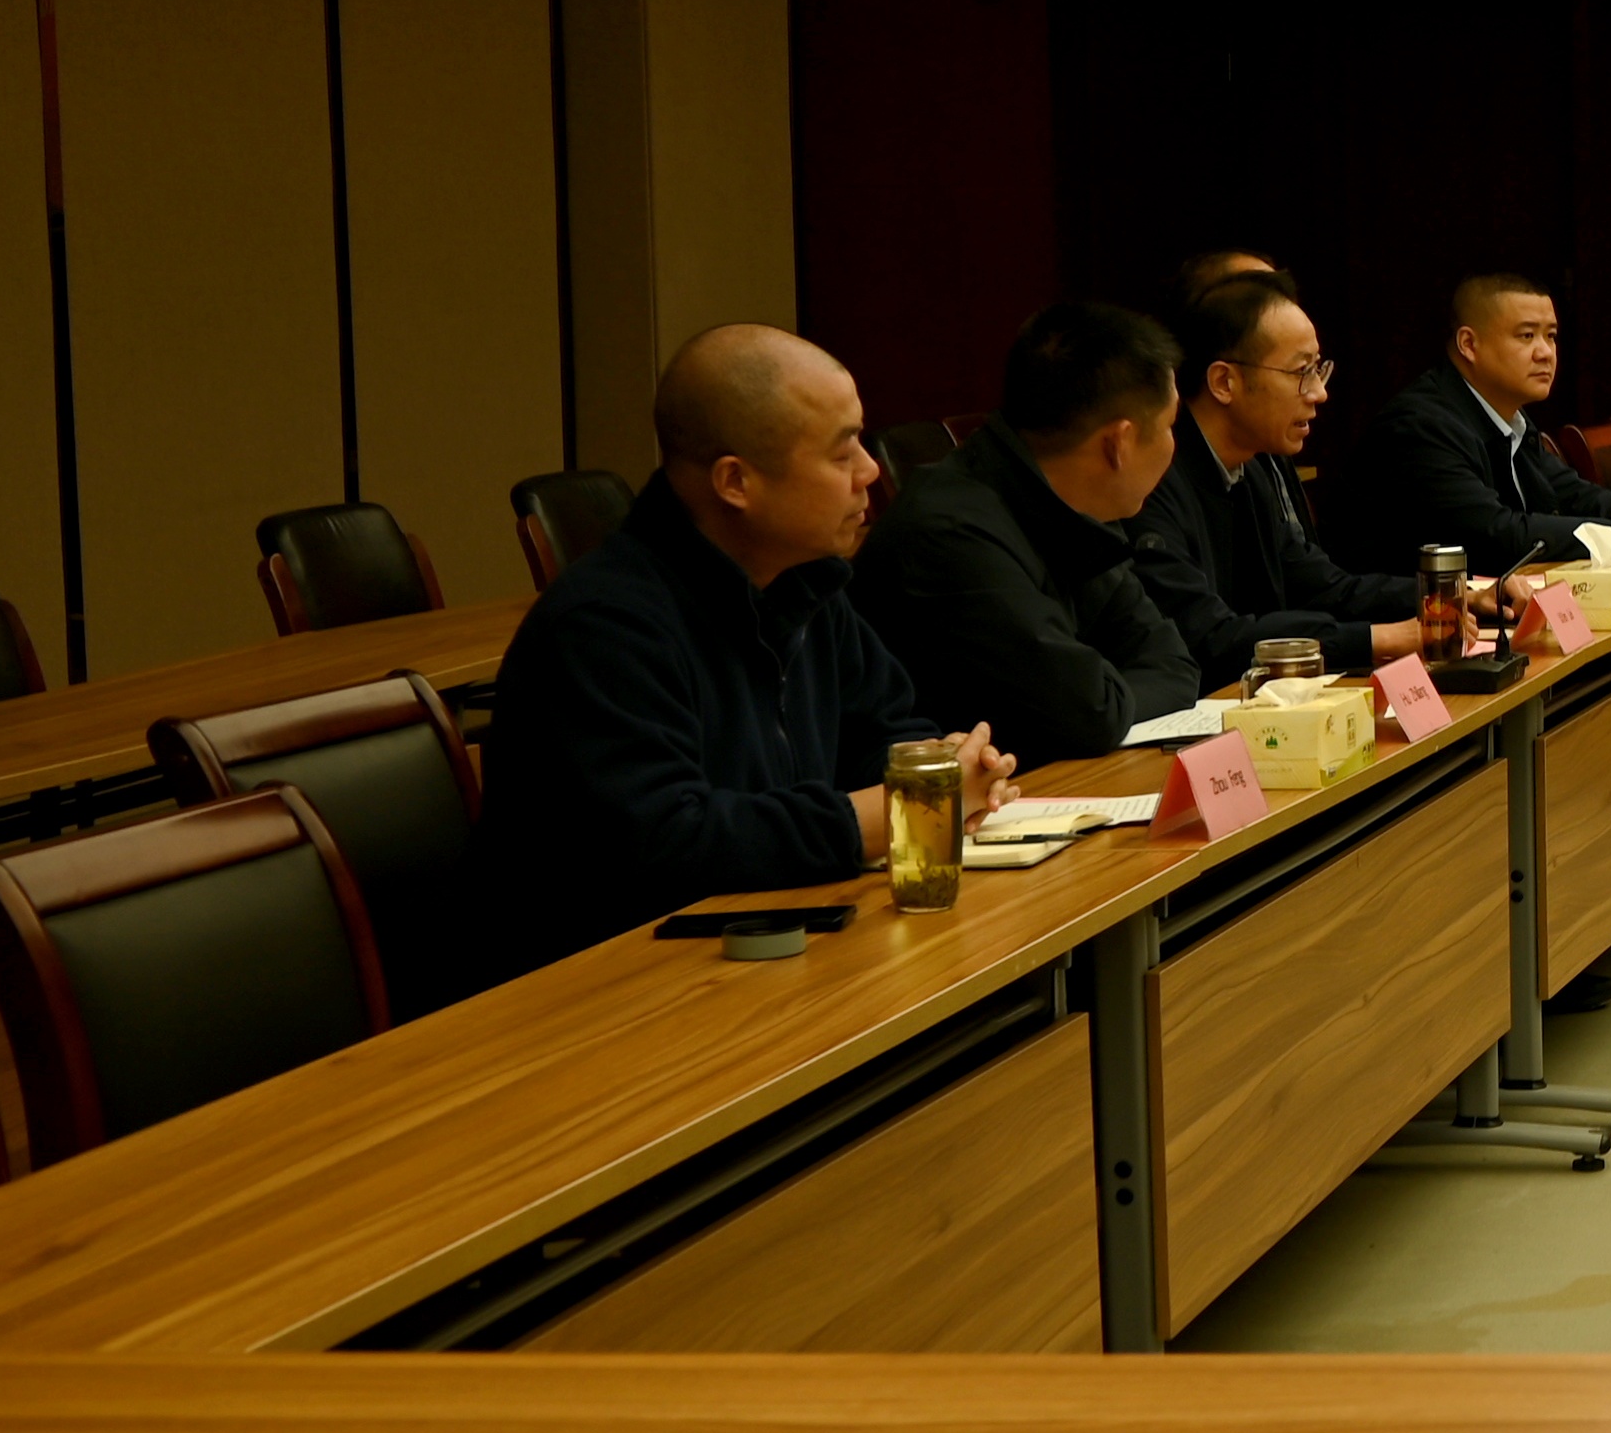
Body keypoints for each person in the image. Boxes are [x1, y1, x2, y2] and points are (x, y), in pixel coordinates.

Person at [479, 325, 1002, 966]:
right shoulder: (601, 627)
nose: (870, 470)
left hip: (772, 941)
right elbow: (669, 844)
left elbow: (884, 730)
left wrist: (943, 767)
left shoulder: (806, 585)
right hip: (616, 982)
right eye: (842, 452)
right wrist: (900, 809)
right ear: (736, 482)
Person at [855, 301, 1207, 765]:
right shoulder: (951, 533)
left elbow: (1174, 664)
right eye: (1168, 425)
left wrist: (1114, 696)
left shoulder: (1068, 504)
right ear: (1118, 443)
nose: (1172, 445)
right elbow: (1089, 713)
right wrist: (1114, 697)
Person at [1132, 269, 1424, 683]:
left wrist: (1453, 594)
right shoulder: (1150, 482)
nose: (1319, 392)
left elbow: (1323, 588)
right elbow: (1209, 637)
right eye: (1301, 372)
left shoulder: (1252, 470)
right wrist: (1378, 639)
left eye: (1319, 369)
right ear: (1224, 382)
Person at [1331, 269, 1611, 570]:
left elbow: (1562, 487)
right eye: (1527, 336)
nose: (1545, 352)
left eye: (1551, 336)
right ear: (1469, 344)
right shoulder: (1421, 426)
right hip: (1410, 606)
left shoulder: (1505, 414)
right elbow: (1498, 536)